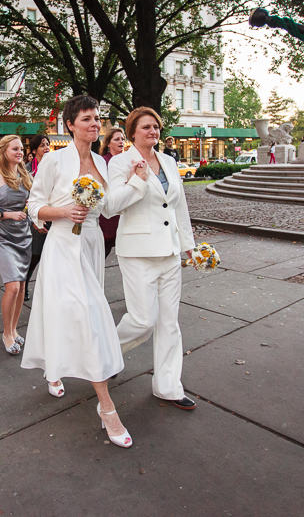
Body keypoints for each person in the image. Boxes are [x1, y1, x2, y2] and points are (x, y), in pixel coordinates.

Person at [22, 95, 147, 448]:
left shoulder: (101, 162)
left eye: (97, 119)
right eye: (88, 119)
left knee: (72, 314)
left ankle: (54, 366)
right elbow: (34, 206)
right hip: (62, 245)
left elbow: (108, 207)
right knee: (87, 317)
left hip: (90, 244)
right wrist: (63, 212)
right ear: (70, 124)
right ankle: (107, 407)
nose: (95, 124)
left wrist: (137, 182)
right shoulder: (53, 160)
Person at [107, 107, 198, 411]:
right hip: (138, 253)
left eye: (156, 127)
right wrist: (136, 180)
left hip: (170, 253)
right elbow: (110, 206)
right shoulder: (121, 162)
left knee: (169, 323)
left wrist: (189, 245)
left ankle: (168, 386)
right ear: (132, 132)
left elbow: (178, 206)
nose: (153, 132)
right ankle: (106, 353)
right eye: (146, 127)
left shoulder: (170, 161)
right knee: (144, 320)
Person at [0, 135, 32, 355]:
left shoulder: (26, 176)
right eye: (15, 149)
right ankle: (6, 333)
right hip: (2, 236)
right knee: (12, 286)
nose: (19, 152)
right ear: (3, 151)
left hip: (24, 235)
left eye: (21, 149)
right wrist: (8, 214)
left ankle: (14, 328)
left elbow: (33, 205)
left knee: (21, 286)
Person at [24, 134, 51, 301]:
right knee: (35, 255)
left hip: (54, 215)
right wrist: (34, 219)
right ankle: (25, 282)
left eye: (48, 144)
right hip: (36, 218)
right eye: (42, 145)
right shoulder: (27, 170)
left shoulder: (55, 166)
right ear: (34, 150)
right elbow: (25, 198)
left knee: (52, 256)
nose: (46, 147)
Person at [98, 127, 125, 257]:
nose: (121, 142)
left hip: (125, 213)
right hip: (108, 215)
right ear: (108, 143)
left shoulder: (128, 161)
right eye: (117, 139)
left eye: (123, 139)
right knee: (103, 252)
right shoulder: (103, 161)